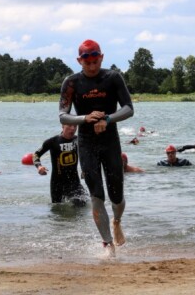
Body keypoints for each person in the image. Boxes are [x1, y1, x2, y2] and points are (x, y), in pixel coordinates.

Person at [59, 39, 134, 257]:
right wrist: (86, 118)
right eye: (87, 61)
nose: (92, 65)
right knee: (96, 195)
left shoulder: (112, 77)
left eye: (95, 60)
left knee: (116, 195)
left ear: (101, 57)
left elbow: (129, 108)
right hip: (86, 142)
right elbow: (62, 115)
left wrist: (107, 119)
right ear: (79, 61)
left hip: (110, 140)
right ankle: (107, 244)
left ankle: (117, 222)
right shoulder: (71, 82)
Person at [33, 124, 88, 207]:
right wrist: (39, 167)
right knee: (57, 210)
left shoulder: (79, 140)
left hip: (74, 182)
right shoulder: (52, 141)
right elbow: (36, 155)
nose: (72, 128)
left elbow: (87, 155)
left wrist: (85, 168)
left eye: (75, 126)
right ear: (62, 126)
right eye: (69, 126)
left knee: (81, 204)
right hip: (57, 184)